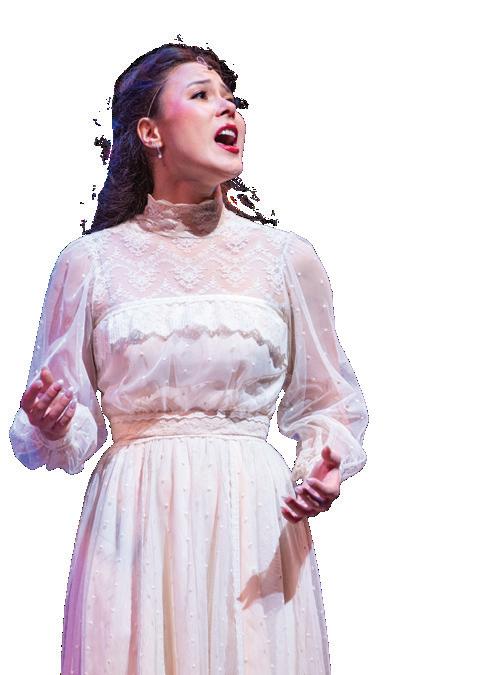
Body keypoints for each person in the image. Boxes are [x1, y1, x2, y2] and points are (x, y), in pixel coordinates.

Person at [9, 42, 368, 674]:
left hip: (253, 521)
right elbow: (70, 428)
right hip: (134, 523)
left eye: (232, 99)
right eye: (201, 95)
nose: (227, 109)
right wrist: (54, 421)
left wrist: (323, 461)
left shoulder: (286, 259)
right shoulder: (89, 263)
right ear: (149, 131)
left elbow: (328, 401)